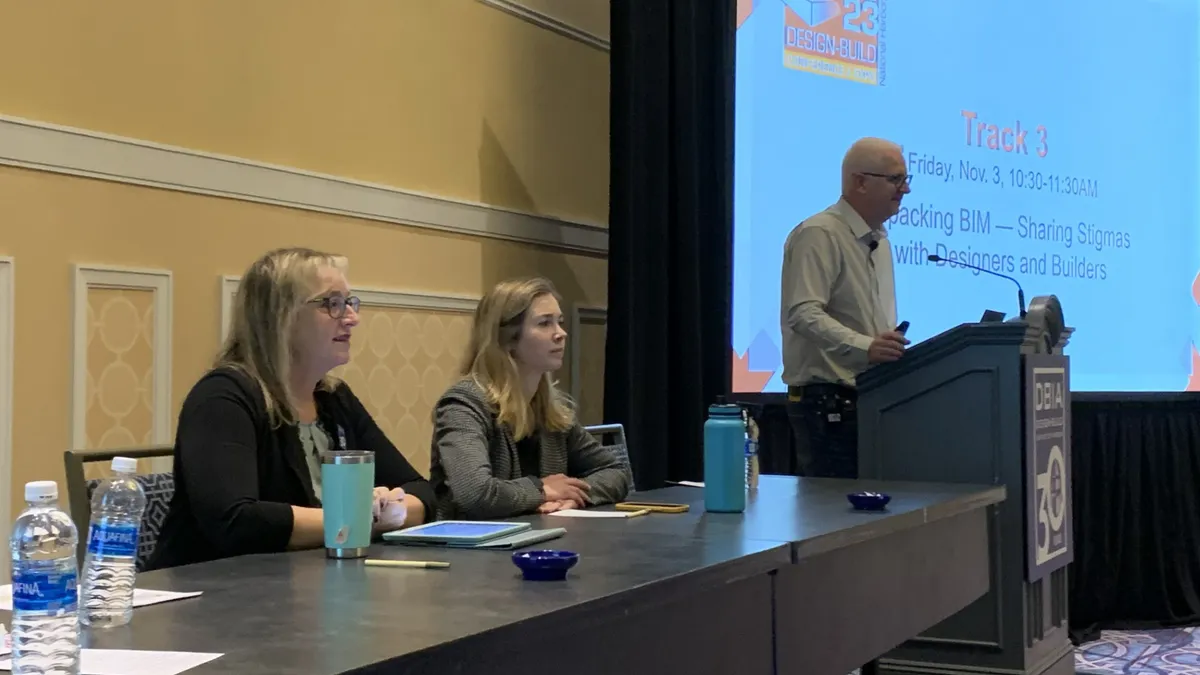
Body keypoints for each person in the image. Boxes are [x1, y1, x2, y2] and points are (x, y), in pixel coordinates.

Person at [147, 247, 434, 569]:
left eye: (349, 303)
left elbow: (422, 493)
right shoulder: (222, 398)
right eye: (333, 304)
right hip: (212, 600)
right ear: (281, 317)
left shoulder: (334, 399)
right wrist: (356, 518)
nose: (352, 318)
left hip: (314, 590)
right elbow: (236, 521)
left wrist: (386, 510)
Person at [429, 277, 631, 520]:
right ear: (508, 339)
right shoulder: (464, 404)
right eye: (545, 323)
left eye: (560, 322)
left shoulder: (550, 410)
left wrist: (572, 496)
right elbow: (475, 493)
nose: (561, 334)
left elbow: (615, 470)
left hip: (541, 540)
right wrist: (541, 490)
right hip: (471, 551)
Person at [779, 137, 913, 479]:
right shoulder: (819, 234)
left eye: (905, 179)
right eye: (896, 179)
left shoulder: (878, 242)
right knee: (832, 515)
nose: (906, 189)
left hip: (870, 398)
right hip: (826, 404)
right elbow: (803, 313)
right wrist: (866, 346)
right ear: (860, 182)